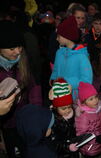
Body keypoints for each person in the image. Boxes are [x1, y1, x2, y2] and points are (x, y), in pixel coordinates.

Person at [0, 20, 42, 158]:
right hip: (5, 124)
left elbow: (33, 86)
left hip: (24, 117)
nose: (17, 51)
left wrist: (35, 110)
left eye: (19, 46)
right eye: (12, 48)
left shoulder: (23, 60)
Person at [50, 16, 93, 101]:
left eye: (58, 36)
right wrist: (52, 80)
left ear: (66, 36)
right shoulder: (59, 53)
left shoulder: (81, 56)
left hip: (74, 97)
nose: (56, 38)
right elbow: (55, 70)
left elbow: (87, 80)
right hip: (59, 95)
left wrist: (67, 82)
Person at [48, 78, 79, 158]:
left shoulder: (72, 113)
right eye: (63, 108)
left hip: (74, 149)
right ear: (56, 107)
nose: (67, 110)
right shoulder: (53, 120)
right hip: (62, 153)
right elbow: (54, 143)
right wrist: (67, 147)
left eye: (69, 107)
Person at [75, 82, 101, 157]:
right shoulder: (83, 115)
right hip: (89, 147)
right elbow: (81, 135)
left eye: (96, 97)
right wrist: (95, 138)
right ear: (84, 101)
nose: (95, 100)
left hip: (98, 143)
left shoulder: (98, 109)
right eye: (91, 99)